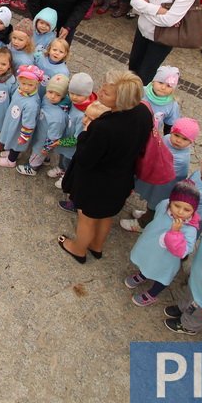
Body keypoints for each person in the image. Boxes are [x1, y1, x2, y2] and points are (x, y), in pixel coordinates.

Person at [57, 70, 154, 263]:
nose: (100, 93)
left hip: (96, 182)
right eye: (102, 87)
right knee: (106, 214)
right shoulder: (143, 112)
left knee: (86, 216)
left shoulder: (104, 127)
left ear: (122, 100)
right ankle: (97, 246)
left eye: (107, 93)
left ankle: (78, 248)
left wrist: (85, 133)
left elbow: (85, 158)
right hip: (121, 178)